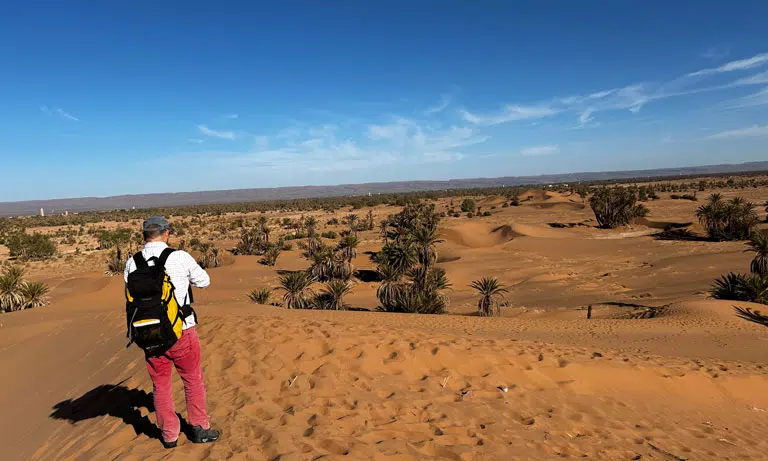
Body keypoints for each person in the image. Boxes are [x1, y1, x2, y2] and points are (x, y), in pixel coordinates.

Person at [124, 216, 220, 448]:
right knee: (192, 379)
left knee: (160, 384)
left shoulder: (132, 263)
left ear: (144, 235)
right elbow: (204, 281)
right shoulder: (179, 257)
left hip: (149, 334)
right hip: (182, 330)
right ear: (166, 233)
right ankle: (199, 427)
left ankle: (169, 435)